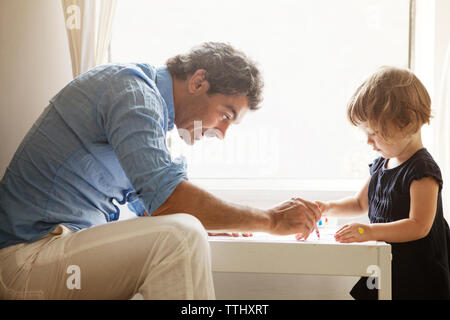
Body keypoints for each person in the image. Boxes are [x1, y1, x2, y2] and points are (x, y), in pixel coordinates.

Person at [0, 42, 320, 300]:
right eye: (225, 115)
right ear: (198, 81)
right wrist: (272, 220)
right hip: (25, 261)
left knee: (184, 229)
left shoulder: (150, 119)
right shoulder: (133, 92)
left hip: (51, 254)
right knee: (181, 237)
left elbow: (154, 209)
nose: (222, 133)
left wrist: (217, 220)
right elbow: (170, 201)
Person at [316, 66, 450, 299]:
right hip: (386, 260)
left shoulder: (422, 170)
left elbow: (419, 225)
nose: (368, 141)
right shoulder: (381, 163)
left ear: (407, 122)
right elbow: (359, 203)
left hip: (417, 270)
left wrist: (368, 231)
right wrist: (327, 207)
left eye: (375, 132)